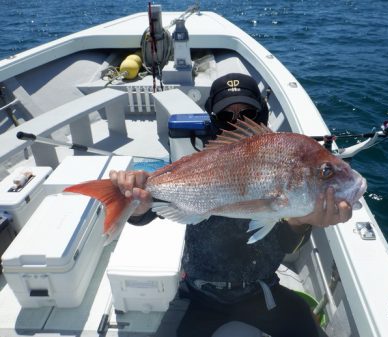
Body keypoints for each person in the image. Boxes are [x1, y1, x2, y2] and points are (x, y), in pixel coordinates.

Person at [109, 73, 352, 337]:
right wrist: (138, 205)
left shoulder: (285, 167)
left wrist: (304, 221)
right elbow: (148, 210)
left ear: (263, 114)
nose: (238, 122)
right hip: (197, 295)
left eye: (249, 113)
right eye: (226, 117)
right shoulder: (196, 164)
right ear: (213, 120)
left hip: (262, 292)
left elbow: (285, 243)